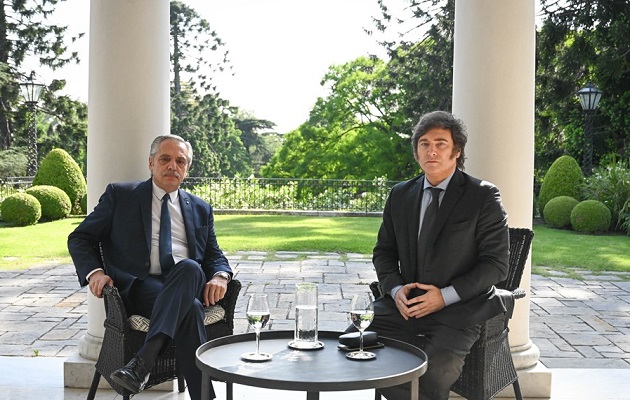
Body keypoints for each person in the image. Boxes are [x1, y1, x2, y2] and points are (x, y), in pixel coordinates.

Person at [68, 134, 232, 400]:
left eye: (180, 161)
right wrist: (95, 272)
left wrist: (221, 276)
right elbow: (80, 237)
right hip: (141, 287)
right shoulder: (121, 196)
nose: (172, 166)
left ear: (187, 168)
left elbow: (214, 255)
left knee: (190, 268)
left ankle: (141, 364)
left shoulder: (201, 208)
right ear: (151, 163)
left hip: (187, 281)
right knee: (190, 309)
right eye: (165, 159)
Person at [361, 111, 510, 400]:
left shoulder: (483, 196)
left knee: (431, 374)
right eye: (424, 143)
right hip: (405, 306)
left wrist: (444, 296)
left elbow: (496, 265)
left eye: (441, 143)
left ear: (456, 150)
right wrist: (394, 290)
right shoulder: (400, 195)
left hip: (460, 310)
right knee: (351, 348)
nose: (432, 150)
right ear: (416, 151)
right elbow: (384, 253)